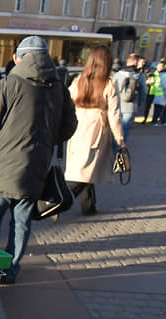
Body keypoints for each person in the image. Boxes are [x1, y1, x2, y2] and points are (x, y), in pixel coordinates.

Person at [0, 36, 77, 285]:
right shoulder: (59, 90)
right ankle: (7, 271)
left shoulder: (7, 85)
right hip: (35, 173)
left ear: (16, 59)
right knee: (19, 225)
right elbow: (67, 129)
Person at [64, 44, 126, 216]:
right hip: (96, 131)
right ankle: (54, 203)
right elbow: (115, 115)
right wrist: (120, 140)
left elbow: (67, 104)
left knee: (86, 169)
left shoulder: (78, 81)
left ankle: (89, 206)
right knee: (85, 172)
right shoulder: (109, 84)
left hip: (77, 129)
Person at [112, 53, 147, 143]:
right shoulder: (139, 76)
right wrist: (138, 104)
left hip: (115, 105)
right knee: (124, 131)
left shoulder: (117, 74)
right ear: (135, 62)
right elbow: (143, 93)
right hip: (130, 106)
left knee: (114, 128)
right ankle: (119, 153)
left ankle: (112, 149)